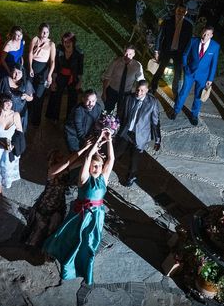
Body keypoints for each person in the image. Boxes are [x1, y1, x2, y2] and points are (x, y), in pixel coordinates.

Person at [43, 130, 114, 285]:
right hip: (63, 206)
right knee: (61, 234)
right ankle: (55, 255)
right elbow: (84, 159)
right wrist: (91, 147)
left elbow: (102, 160)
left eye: (98, 166)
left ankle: (82, 266)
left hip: (88, 213)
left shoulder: (102, 178)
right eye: (94, 167)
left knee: (88, 242)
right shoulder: (69, 174)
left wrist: (104, 142)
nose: (96, 168)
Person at [22, 142, 93, 250]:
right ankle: (33, 246)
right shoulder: (52, 170)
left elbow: (81, 161)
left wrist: (92, 150)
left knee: (53, 227)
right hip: (47, 203)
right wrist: (84, 148)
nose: (62, 157)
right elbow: (67, 162)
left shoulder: (65, 169)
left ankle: (48, 248)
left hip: (59, 202)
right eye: (58, 157)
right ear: (53, 159)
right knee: (41, 227)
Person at [115, 80, 161, 187]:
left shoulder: (152, 102)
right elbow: (120, 113)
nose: (139, 93)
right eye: (137, 89)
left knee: (134, 159)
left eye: (142, 91)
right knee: (116, 152)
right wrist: (114, 125)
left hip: (140, 135)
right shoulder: (128, 98)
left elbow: (155, 122)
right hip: (126, 131)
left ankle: (131, 176)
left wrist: (158, 139)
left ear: (147, 90)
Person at [172, 26, 220, 126]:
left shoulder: (215, 46)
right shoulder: (193, 41)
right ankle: (176, 111)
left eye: (208, 34)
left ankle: (194, 115)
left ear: (211, 35)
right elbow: (185, 54)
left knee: (198, 96)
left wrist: (210, 79)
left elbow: (214, 64)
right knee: (183, 92)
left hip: (203, 76)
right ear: (201, 31)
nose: (205, 36)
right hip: (189, 73)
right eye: (204, 33)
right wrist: (185, 67)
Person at [0, 94, 24, 200]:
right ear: (0, 103)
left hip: (9, 149)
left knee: (5, 169)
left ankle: (0, 188)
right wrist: (0, 143)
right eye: (6, 102)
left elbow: (20, 133)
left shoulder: (15, 115)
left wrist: (13, 145)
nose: (9, 104)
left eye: (10, 102)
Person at [150, 4, 193, 97]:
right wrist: (156, 50)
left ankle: (175, 91)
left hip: (179, 52)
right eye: (179, 10)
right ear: (176, 10)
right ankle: (152, 88)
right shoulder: (167, 21)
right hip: (167, 50)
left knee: (177, 73)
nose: (180, 12)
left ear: (186, 12)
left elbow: (189, 42)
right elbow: (160, 36)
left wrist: (187, 54)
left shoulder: (189, 25)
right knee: (160, 69)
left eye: (183, 11)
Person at [46, 32, 84, 123]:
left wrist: (79, 82)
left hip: (73, 76)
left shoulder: (79, 52)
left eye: (69, 41)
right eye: (64, 41)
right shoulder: (59, 50)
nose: (66, 43)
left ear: (73, 42)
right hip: (60, 75)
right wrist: (54, 81)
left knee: (73, 98)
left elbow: (80, 69)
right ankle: (53, 117)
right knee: (55, 95)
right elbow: (55, 66)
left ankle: (70, 119)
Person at [28, 23, 56, 126]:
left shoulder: (51, 44)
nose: (45, 34)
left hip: (43, 70)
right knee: (29, 93)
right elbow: (30, 53)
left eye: (47, 32)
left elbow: (52, 61)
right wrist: (30, 67)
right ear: (39, 31)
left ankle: (36, 120)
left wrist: (49, 75)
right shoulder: (35, 39)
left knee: (39, 96)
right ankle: (27, 116)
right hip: (33, 67)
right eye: (43, 31)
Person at [101, 45, 144, 112]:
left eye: (130, 54)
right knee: (107, 111)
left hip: (126, 94)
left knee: (122, 112)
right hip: (112, 91)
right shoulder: (115, 62)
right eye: (126, 53)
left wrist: (139, 94)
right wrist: (104, 93)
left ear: (134, 54)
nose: (127, 56)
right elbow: (107, 77)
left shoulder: (137, 66)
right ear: (123, 52)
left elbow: (141, 81)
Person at [0, 63, 34, 132]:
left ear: (22, 73)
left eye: (19, 72)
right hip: (6, 112)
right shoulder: (4, 80)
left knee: (18, 133)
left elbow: (31, 98)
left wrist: (26, 97)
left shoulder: (26, 83)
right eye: (15, 72)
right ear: (11, 71)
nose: (17, 75)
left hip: (20, 113)